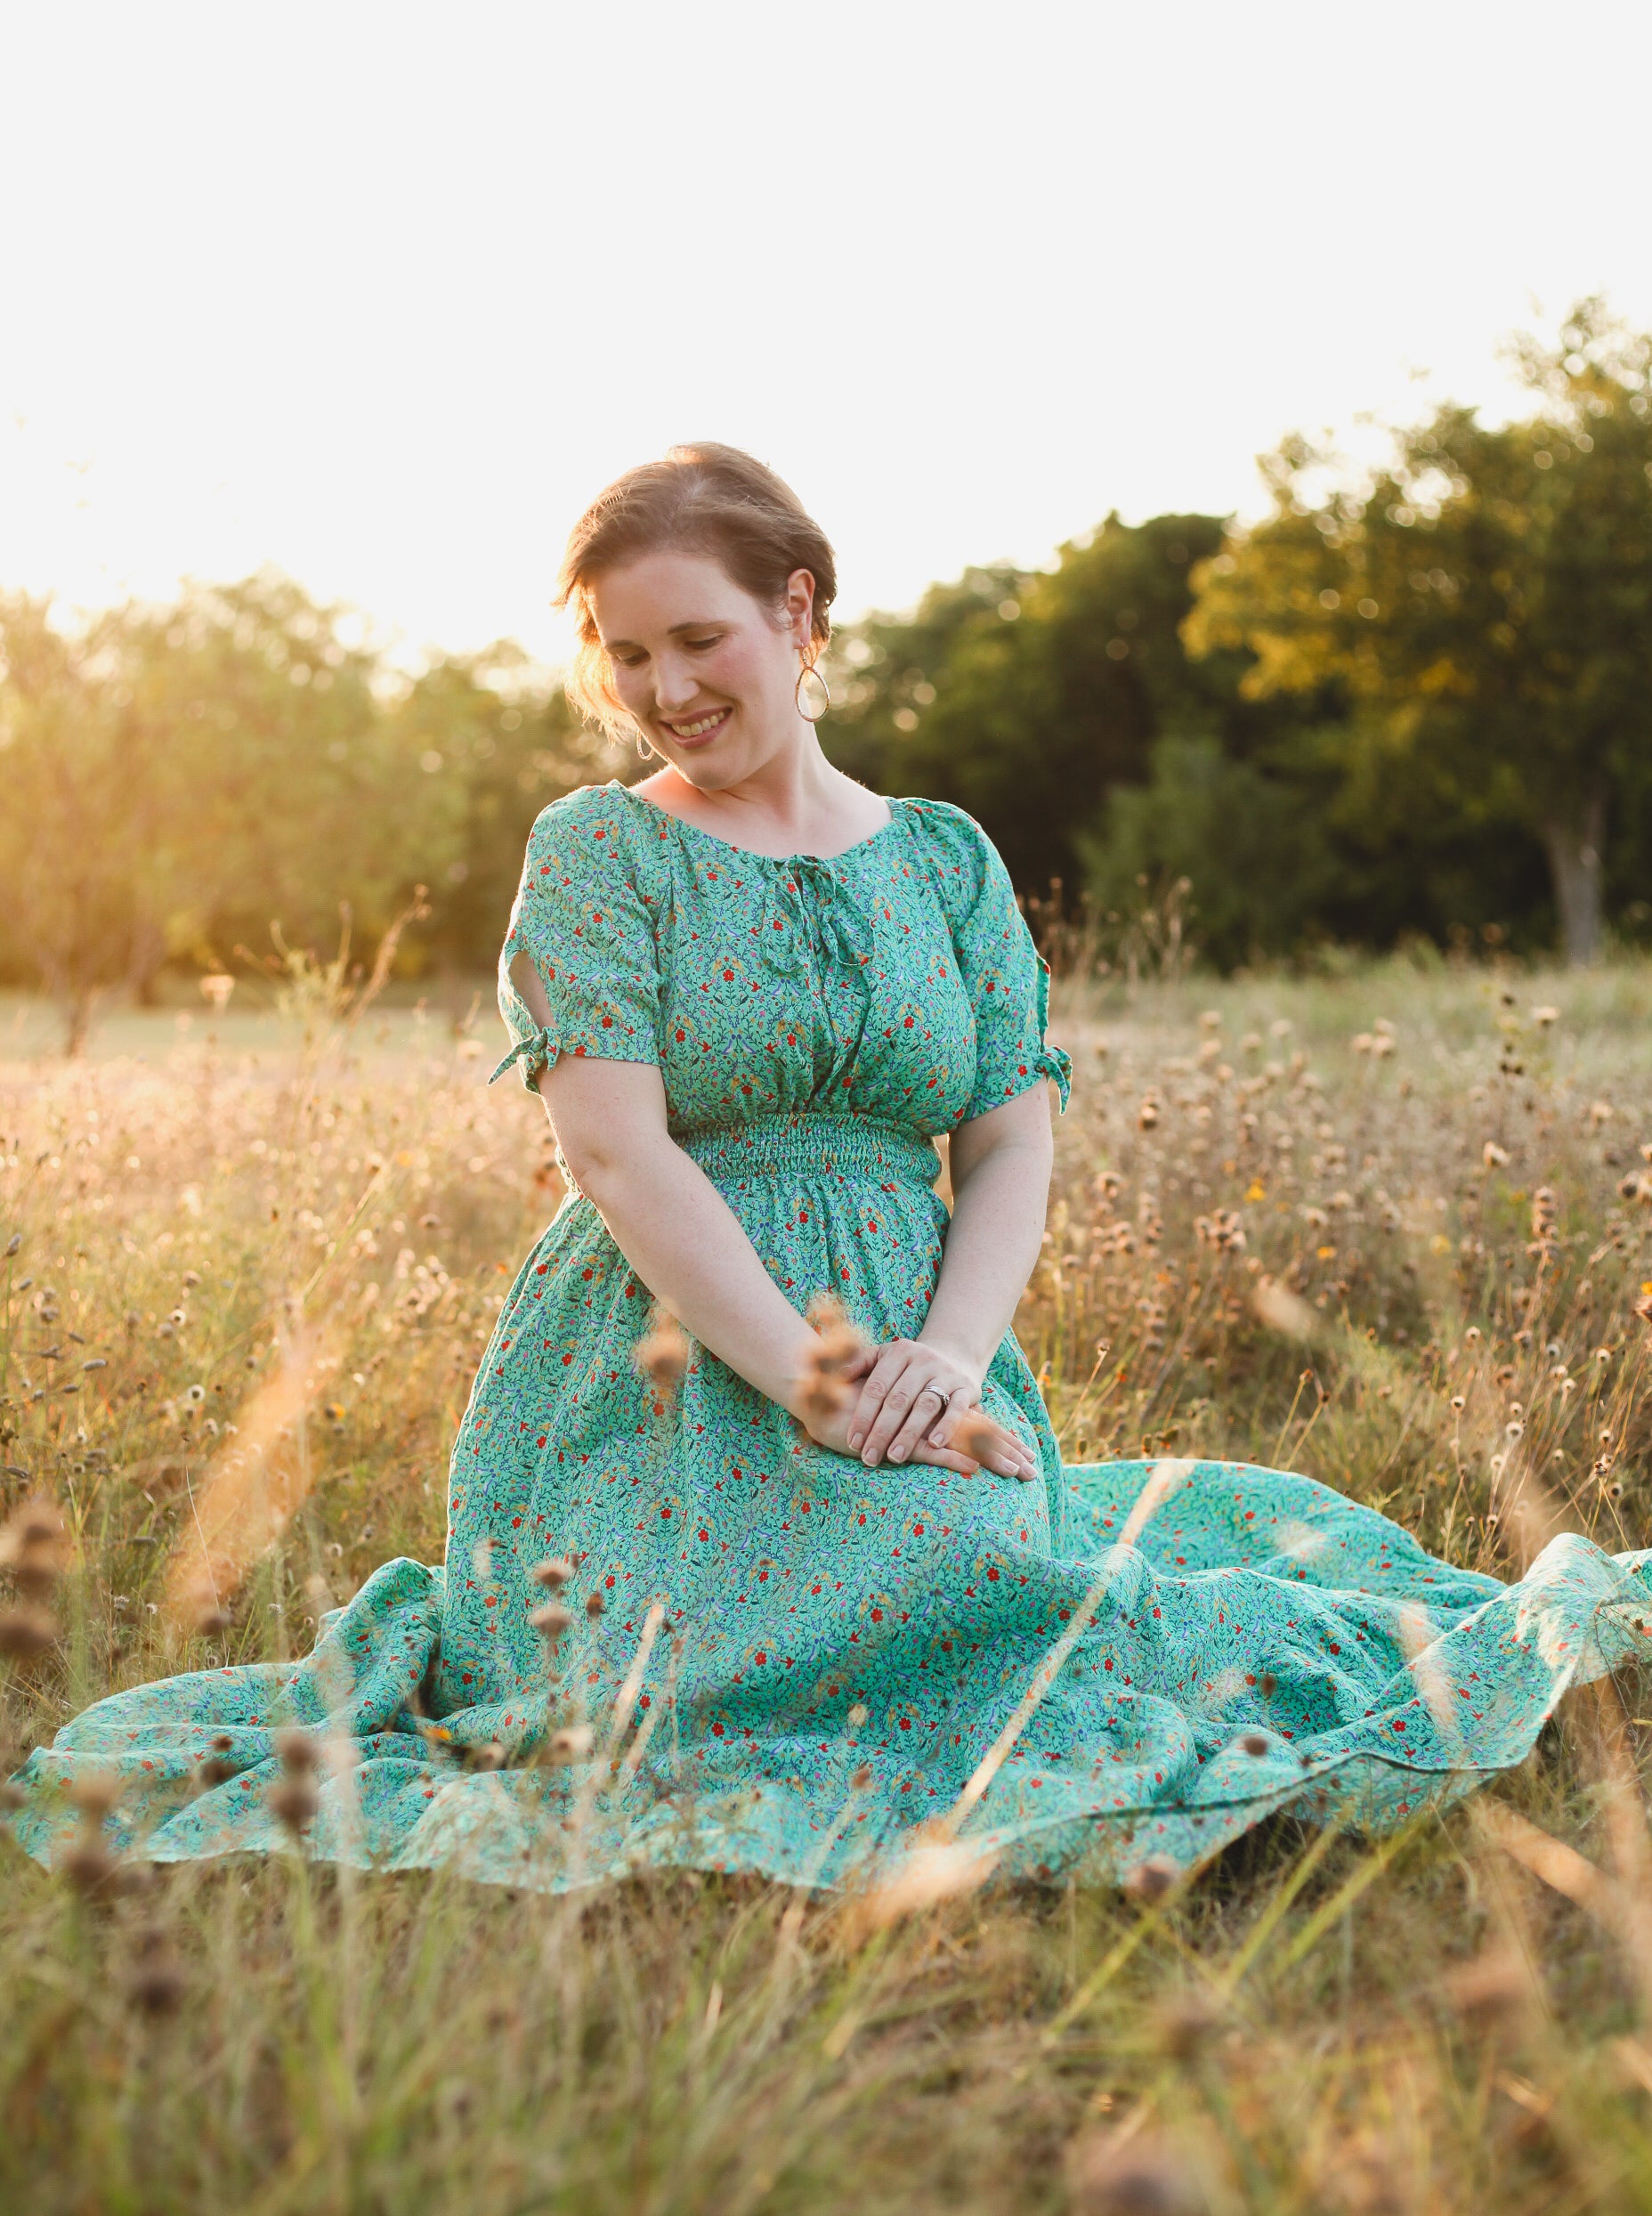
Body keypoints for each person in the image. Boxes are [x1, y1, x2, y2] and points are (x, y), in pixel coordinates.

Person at [14, 444, 1650, 1893]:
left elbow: (1010, 1133)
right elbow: (612, 1147)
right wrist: (811, 1374)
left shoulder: (943, 855)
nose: (664, 689)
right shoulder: (600, 854)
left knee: (1052, 1625)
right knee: (734, 1683)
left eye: (698, 639)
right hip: (665, 1373)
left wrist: (939, 1356)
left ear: (799, 616)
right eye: (626, 654)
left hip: (927, 1360)